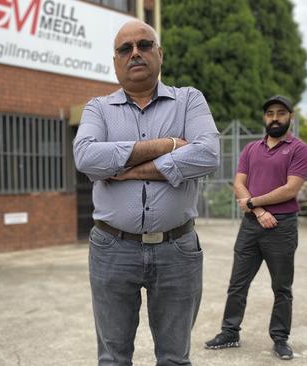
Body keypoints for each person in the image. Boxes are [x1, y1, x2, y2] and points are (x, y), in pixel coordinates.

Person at [73, 20, 220, 366]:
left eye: (144, 45)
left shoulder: (189, 101)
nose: (135, 53)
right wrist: (167, 146)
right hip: (112, 248)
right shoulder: (98, 108)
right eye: (126, 48)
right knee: (113, 358)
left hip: (177, 249)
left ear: (159, 54)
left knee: (174, 358)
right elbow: (86, 157)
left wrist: (127, 168)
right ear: (115, 61)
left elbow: (208, 153)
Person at [205, 95, 307, 360]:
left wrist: (252, 202)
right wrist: (259, 210)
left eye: (280, 113)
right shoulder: (251, 149)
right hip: (252, 225)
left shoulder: (300, 150)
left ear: (290, 117)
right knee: (237, 283)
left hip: (282, 226)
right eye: (269, 114)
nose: (274, 118)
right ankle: (229, 332)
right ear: (264, 118)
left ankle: (280, 339)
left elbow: (290, 189)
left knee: (282, 287)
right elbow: (238, 184)